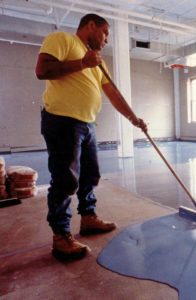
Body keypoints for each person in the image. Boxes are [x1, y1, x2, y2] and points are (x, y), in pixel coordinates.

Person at [35, 13, 147, 260]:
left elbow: (113, 93)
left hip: (87, 124)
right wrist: (82, 63)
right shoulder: (62, 39)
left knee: (90, 175)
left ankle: (88, 218)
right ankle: (61, 237)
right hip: (62, 120)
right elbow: (42, 70)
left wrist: (133, 118)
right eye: (105, 32)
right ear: (91, 26)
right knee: (65, 180)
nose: (107, 39)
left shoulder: (98, 62)